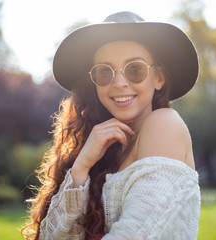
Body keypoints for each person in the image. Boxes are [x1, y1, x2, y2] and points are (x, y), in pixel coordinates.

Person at [23, 11, 200, 240]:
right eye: (105, 72)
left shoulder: (164, 124)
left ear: (159, 77)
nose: (119, 83)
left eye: (135, 69)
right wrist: (81, 168)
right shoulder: (104, 147)